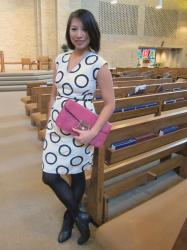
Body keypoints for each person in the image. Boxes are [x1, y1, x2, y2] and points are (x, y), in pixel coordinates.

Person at [42, 9, 115, 245]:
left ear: (92, 32)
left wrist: (93, 132)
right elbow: (54, 93)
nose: (79, 34)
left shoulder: (99, 63)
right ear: (69, 31)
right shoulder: (59, 59)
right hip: (57, 125)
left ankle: (68, 220)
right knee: (49, 176)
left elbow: (110, 104)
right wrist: (49, 119)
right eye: (74, 29)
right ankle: (80, 216)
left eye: (84, 29)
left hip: (81, 127)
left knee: (76, 174)